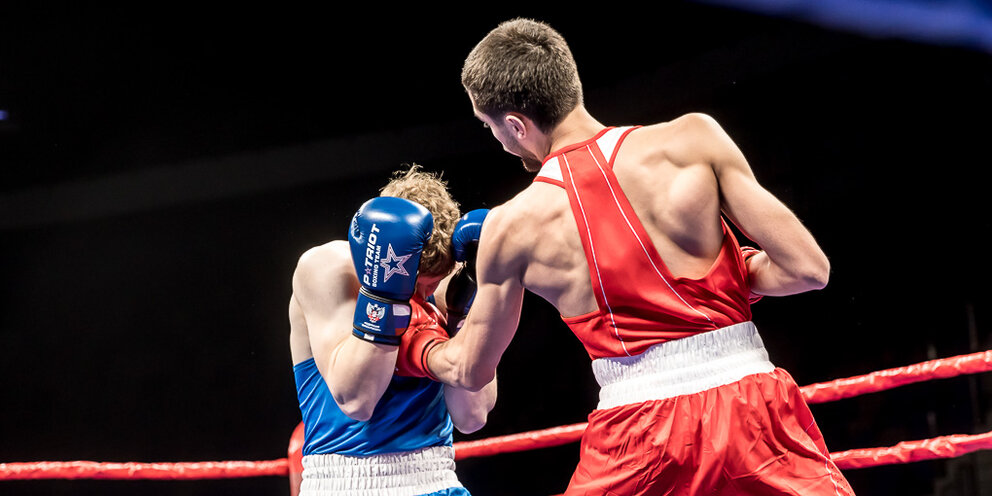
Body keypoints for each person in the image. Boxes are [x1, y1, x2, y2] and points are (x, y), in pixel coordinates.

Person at [400, 18, 856, 496]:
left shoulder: (511, 227)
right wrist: (724, 272)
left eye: (491, 127)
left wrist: (412, 325)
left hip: (640, 431)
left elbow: (469, 371)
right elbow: (808, 270)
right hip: (752, 404)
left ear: (515, 125)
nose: (498, 139)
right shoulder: (694, 139)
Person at [288, 165, 497, 496]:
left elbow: (472, 416)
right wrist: (385, 295)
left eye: (433, 285)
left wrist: (464, 314)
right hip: (346, 481)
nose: (425, 297)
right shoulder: (327, 269)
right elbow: (357, 401)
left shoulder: (447, 282)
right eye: (419, 285)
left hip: (437, 478)